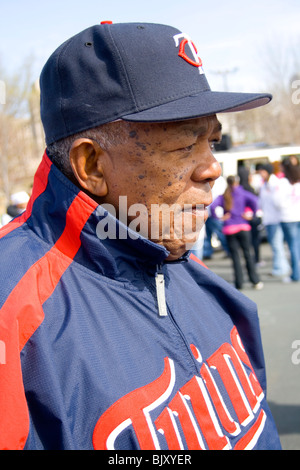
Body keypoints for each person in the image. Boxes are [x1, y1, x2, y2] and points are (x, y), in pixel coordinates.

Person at [0, 22, 281, 450]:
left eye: (213, 142)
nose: (212, 168)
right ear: (92, 165)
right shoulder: (13, 305)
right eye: (184, 146)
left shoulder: (188, 269)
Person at [210, 175, 263, 290]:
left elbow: (213, 206)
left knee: (235, 257)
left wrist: (220, 217)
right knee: (248, 254)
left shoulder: (224, 196)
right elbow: (255, 201)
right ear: (237, 182)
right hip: (243, 227)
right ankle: (255, 280)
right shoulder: (243, 193)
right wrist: (252, 215)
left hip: (230, 229)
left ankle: (239, 283)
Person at [257, 163, 290, 281]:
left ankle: (280, 268)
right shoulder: (264, 185)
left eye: (262, 171)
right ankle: (281, 266)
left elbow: (279, 202)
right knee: (275, 244)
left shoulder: (276, 184)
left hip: (276, 219)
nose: (260, 174)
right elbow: (261, 202)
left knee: (277, 244)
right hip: (268, 219)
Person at [274, 158, 300, 282]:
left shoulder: (282, 183)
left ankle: (296, 274)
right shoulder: (297, 181)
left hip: (288, 218)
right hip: (297, 216)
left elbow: (277, 202)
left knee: (293, 247)